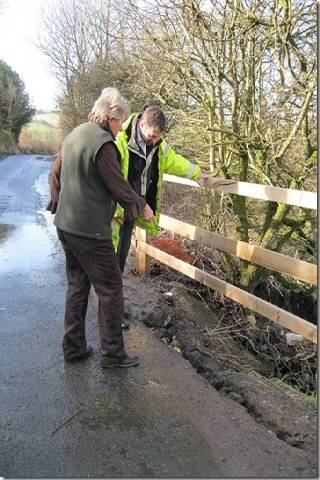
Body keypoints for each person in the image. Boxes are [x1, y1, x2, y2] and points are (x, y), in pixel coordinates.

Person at [51, 87, 154, 368]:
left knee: (78, 286)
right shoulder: (103, 143)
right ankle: (113, 354)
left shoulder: (75, 134)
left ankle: (73, 349)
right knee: (110, 289)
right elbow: (118, 184)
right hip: (89, 232)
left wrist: (55, 204)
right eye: (121, 122)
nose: (122, 129)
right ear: (112, 116)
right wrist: (141, 204)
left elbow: (55, 173)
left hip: (66, 226)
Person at [113, 105, 209, 301]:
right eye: (153, 135)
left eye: (158, 136)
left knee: (120, 259)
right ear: (141, 124)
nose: (155, 140)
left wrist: (198, 174)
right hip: (115, 209)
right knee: (109, 257)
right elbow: (113, 179)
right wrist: (118, 210)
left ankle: (113, 306)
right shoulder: (120, 140)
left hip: (132, 209)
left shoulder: (158, 146)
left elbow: (176, 161)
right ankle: (108, 308)